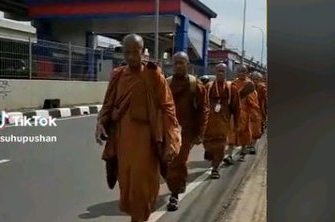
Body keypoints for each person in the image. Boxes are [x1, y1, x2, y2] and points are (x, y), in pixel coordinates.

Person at [95, 34, 182, 222]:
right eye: (127, 53)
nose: (132, 57)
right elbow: (108, 104)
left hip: (147, 141)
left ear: (143, 52)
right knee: (126, 183)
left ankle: (139, 218)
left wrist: (171, 137)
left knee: (143, 186)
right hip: (123, 141)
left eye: (136, 52)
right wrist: (101, 123)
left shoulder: (153, 75)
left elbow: (168, 106)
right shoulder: (118, 75)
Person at [164, 52, 209, 211]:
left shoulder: (194, 84)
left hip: (186, 132)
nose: (178, 65)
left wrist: (200, 133)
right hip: (167, 131)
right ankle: (172, 185)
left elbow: (203, 110)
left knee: (179, 162)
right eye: (176, 62)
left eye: (182, 63)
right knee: (165, 163)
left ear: (187, 65)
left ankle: (174, 195)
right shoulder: (166, 83)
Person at [203, 63, 240, 176]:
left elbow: (236, 107)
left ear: (226, 73)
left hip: (223, 123)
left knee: (220, 146)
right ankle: (211, 155)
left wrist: (237, 123)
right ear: (215, 72)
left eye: (222, 71)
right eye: (218, 71)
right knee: (208, 145)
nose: (220, 73)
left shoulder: (231, 88)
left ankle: (215, 168)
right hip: (209, 123)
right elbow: (201, 104)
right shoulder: (208, 87)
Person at [229, 65, 261, 161]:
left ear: (247, 73)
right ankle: (229, 155)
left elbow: (253, 100)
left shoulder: (249, 85)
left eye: (243, 71)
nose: (241, 73)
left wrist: (255, 113)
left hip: (245, 113)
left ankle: (243, 151)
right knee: (232, 133)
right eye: (239, 71)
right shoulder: (233, 84)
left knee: (244, 133)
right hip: (234, 113)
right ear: (237, 73)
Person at [251, 71, 267, 136]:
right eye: (254, 79)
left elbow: (264, 101)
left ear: (260, 80)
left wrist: (264, 113)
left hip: (259, 109)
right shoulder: (248, 86)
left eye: (257, 79)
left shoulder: (262, 88)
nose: (255, 81)